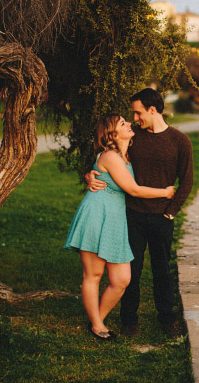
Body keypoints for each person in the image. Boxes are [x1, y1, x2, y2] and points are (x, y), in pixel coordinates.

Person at [86, 88, 193, 338]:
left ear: (152, 110)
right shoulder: (134, 139)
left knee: (162, 272)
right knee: (131, 270)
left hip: (162, 217)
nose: (135, 118)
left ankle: (167, 321)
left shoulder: (180, 141)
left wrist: (171, 212)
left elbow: (186, 181)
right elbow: (108, 161)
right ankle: (129, 322)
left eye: (138, 112)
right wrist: (90, 174)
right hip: (131, 216)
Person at [64, 114, 175, 341]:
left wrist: (89, 174)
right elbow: (133, 189)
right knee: (93, 274)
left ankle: (97, 319)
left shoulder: (126, 156)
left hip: (115, 219)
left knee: (122, 279)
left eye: (127, 121)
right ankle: (97, 325)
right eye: (122, 123)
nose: (129, 124)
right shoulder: (111, 156)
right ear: (112, 134)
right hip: (97, 213)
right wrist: (166, 192)